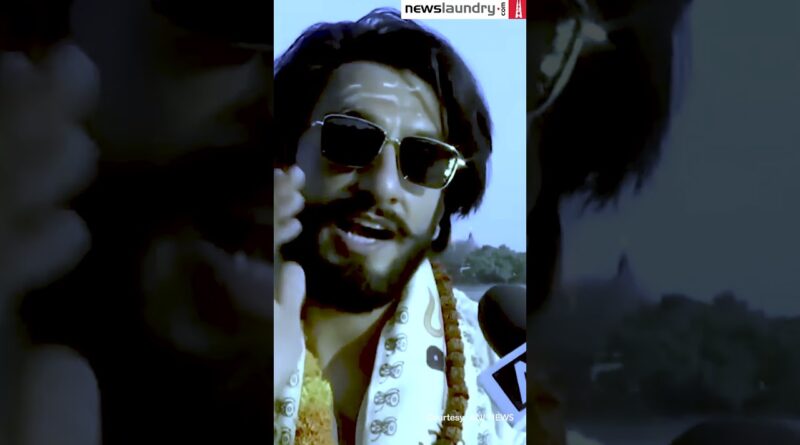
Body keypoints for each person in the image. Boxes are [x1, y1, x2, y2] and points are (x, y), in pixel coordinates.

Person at [272, 9, 524, 445]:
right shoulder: (196, 329)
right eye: (350, 139)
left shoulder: (501, 375)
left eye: (424, 160)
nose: (384, 185)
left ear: (444, 203)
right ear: (284, 156)